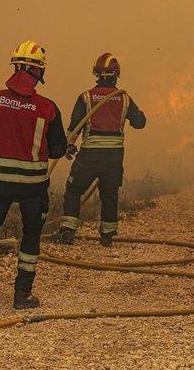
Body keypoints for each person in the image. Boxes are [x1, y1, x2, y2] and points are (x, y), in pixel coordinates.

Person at [0, 40, 67, 313]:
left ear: (16, 67)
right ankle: (22, 296)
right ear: (39, 72)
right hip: (33, 187)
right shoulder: (48, 108)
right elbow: (58, 149)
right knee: (31, 236)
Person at [55, 53, 146, 247]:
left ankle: (68, 233)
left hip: (89, 155)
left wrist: (69, 146)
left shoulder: (86, 97)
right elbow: (139, 123)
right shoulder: (124, 98)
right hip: (113, 158)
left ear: (96, 73)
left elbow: (74, 127)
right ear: (116, 74)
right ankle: (107, 236)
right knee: (109, 193)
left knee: (74, 189)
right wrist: (141, 115)